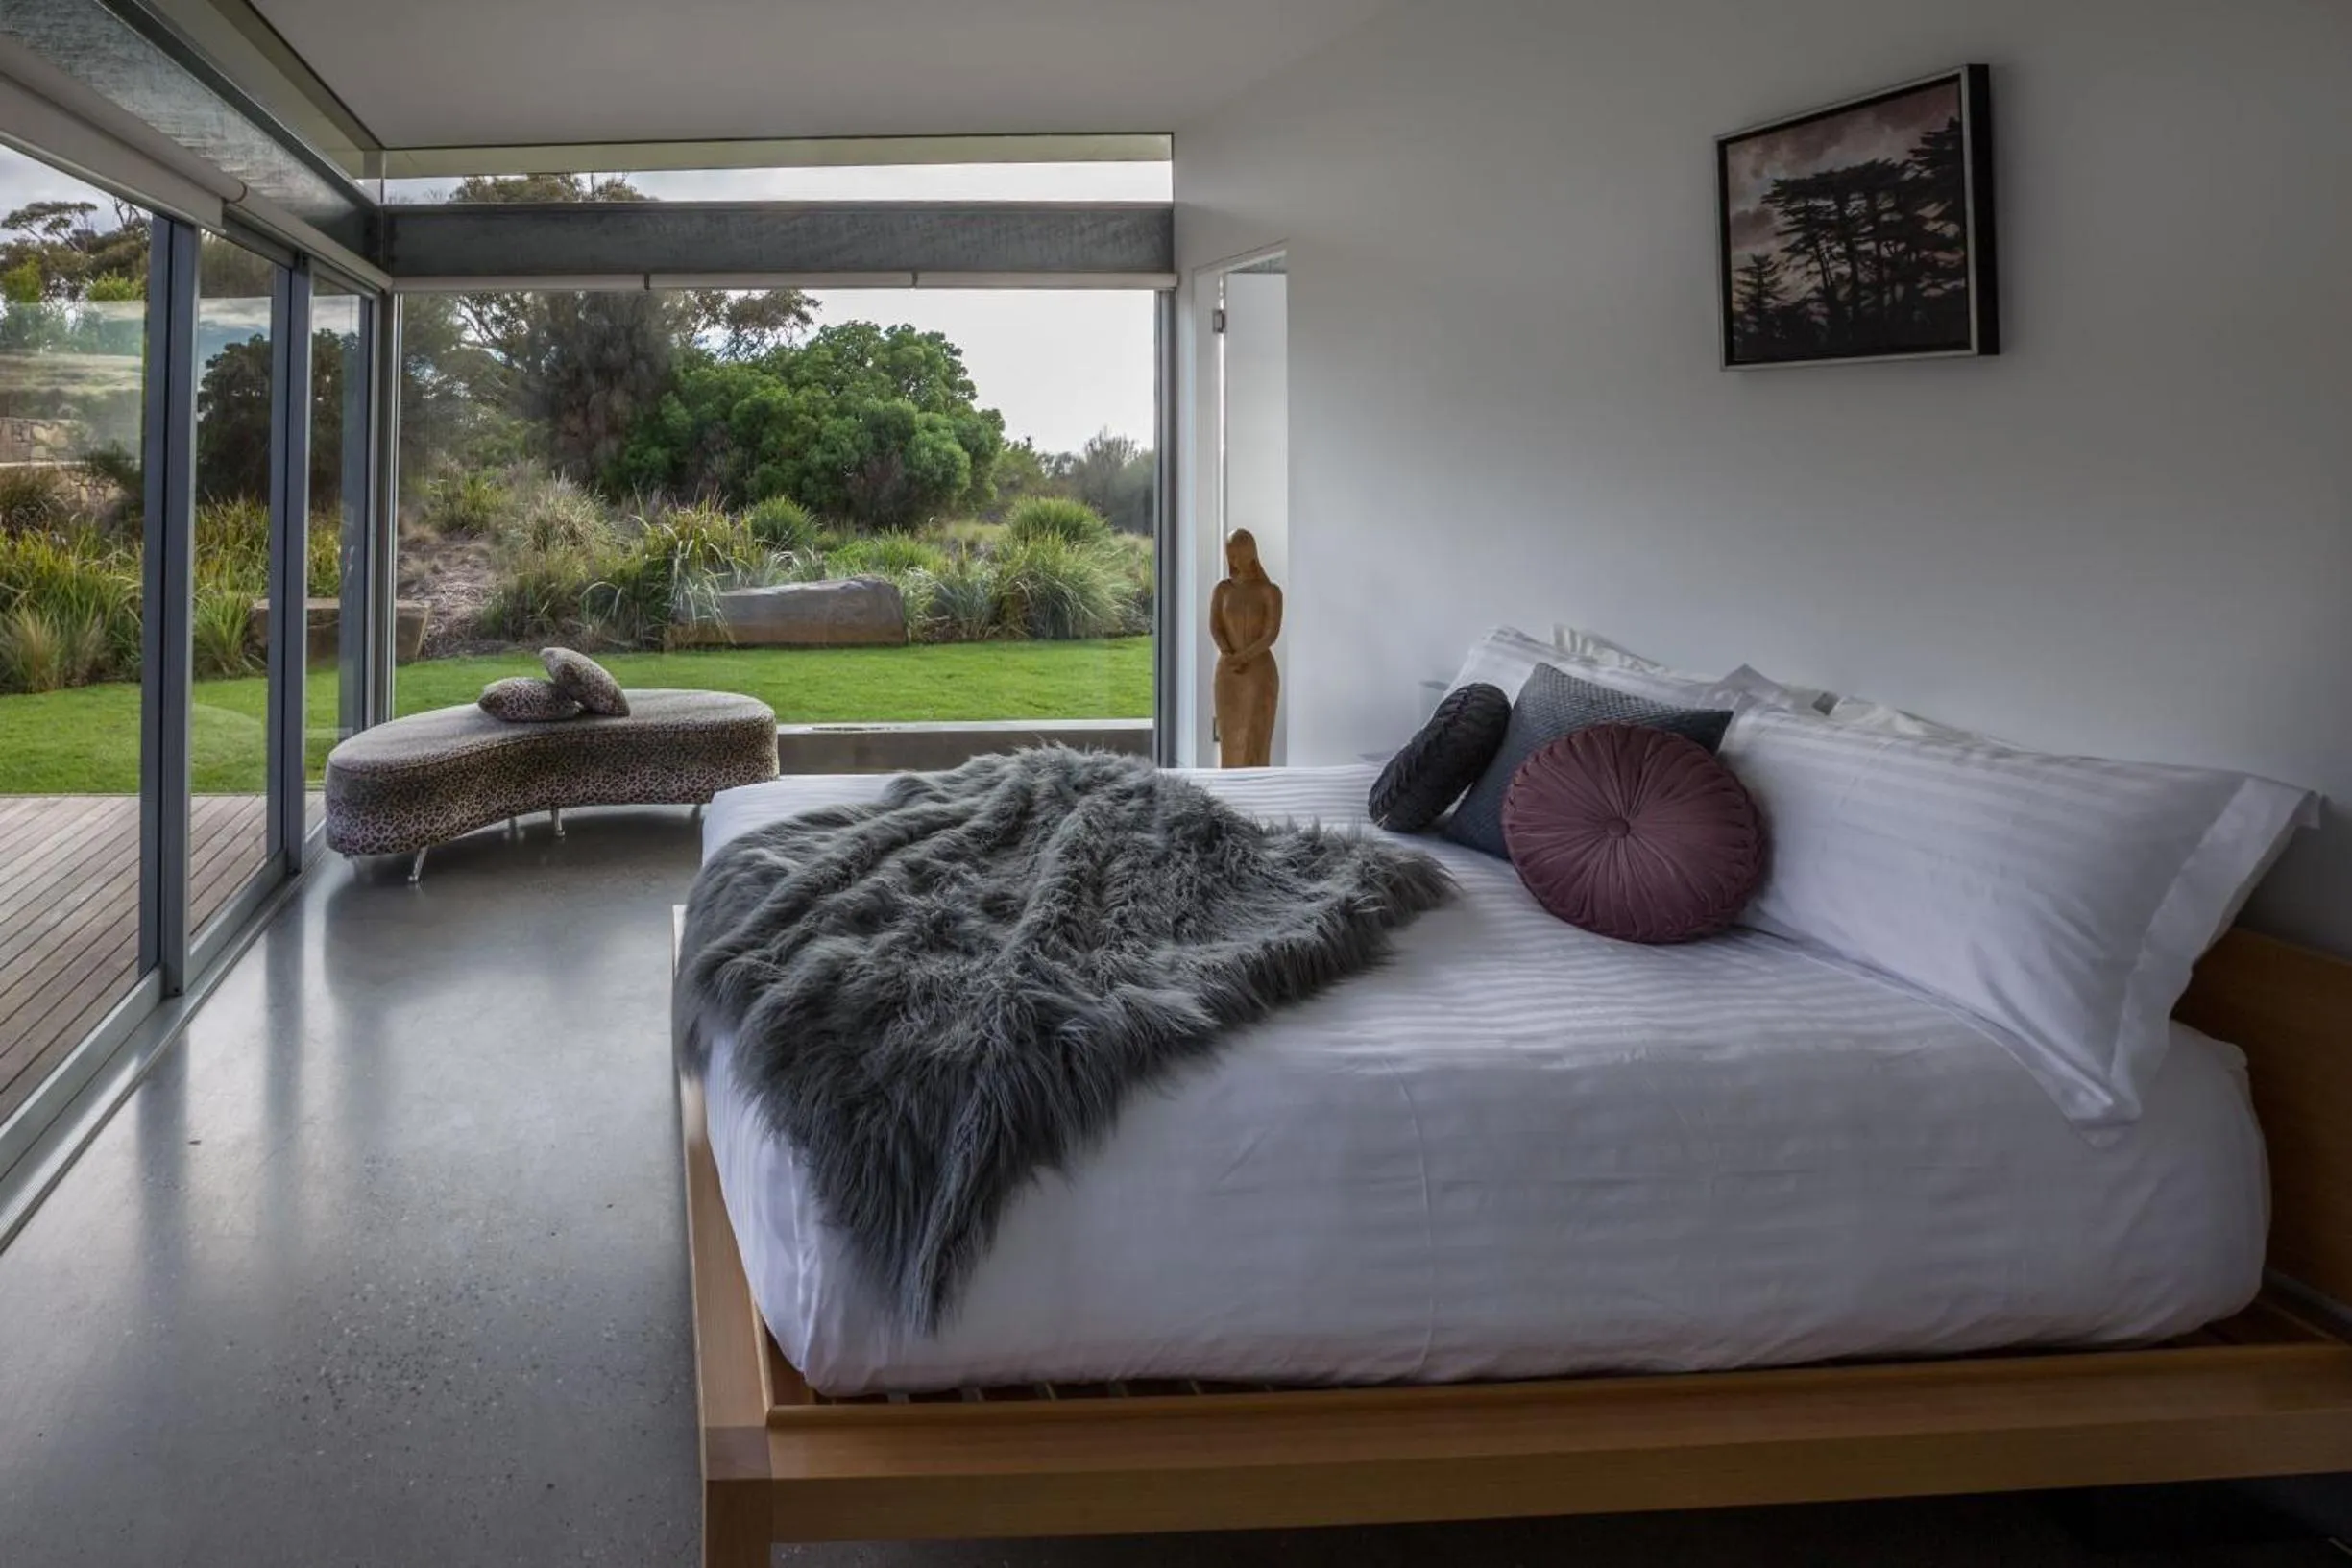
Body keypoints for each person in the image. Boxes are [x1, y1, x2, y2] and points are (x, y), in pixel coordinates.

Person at [1209, 529, 1282, 768]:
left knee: (1255, 736)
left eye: (1240, 554)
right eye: (1231, 555)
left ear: (1252, 554)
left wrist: (1244, 656)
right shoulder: (1222, 590)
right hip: (1228, 673)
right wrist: (1229, 655)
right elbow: (1216, 626)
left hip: (1258, 672)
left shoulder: (1269, 591)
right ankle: (1229, 791)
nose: (1235, 560)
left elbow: (1270, 634)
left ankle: (1257, 788)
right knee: (1230, 737)